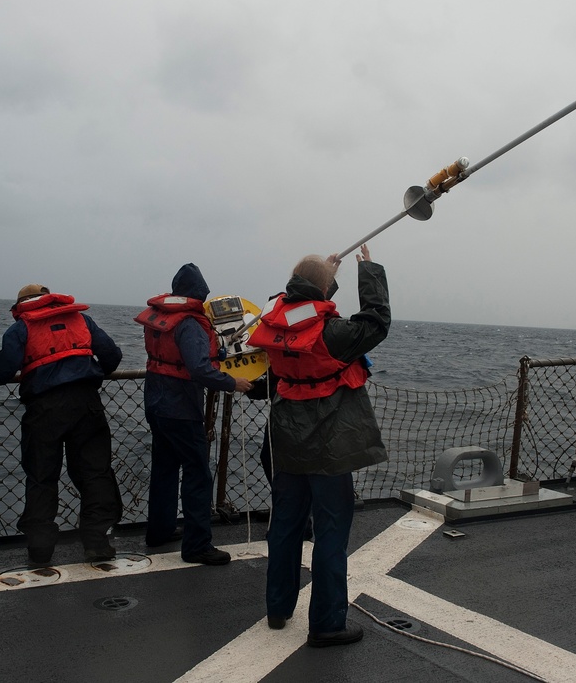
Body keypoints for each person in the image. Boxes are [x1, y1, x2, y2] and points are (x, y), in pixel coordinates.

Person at [247, 244, 389, 647]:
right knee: (330, 533)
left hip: (284, 438)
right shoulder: (334, 334)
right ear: (326, 290)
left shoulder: (276, 324)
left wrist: (323, 274)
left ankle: (278, 609)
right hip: (328, 443)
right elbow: (376, 322)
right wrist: (370, 272)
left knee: (286, 527)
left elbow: (303, 298)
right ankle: (327, 624)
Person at [0, 284, 123, 565]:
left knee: (41, 478)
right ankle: (97, 542)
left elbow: (0, 370)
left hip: (44, 409)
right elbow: (112, 356)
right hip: (86, 404)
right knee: (95, 473)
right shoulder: (81, 319)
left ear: (21, 305)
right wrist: (88, 374)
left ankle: (40, 549)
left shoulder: (22, 328)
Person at [135, 263, 252, 565]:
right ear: (199, 293)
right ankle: (198, 544)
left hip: (155, 402)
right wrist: (232, 382)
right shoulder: (189, 323)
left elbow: (188, 356)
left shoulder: (163, 318)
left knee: (164, 467)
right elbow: (199, 368)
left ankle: (159, 531)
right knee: (198, 472)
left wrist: (219, 352)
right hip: (181, 408)